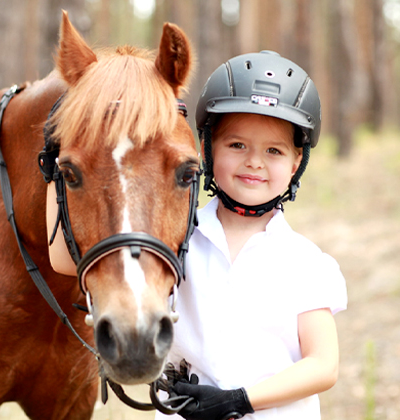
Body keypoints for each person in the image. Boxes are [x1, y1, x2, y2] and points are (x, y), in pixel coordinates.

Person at [156, 51, 348, 420]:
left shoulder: (306, 262)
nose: (254, 162)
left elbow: (324, 365)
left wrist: (238, 401)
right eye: (237, 145)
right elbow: (71, 263)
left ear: (295, 164)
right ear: (206, 148)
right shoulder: (175, 239)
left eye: (273, 150)